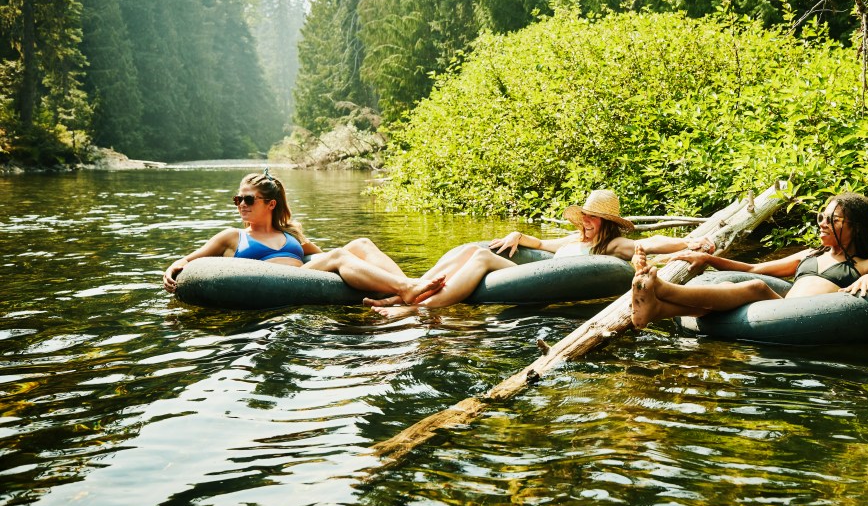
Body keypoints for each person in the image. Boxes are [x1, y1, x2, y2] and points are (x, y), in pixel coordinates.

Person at [368, 189, 714, 313]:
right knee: (471, 249)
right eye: (585, 216)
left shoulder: (611, 245)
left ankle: (417, 310)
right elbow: (543, 245)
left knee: (482, 257)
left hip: (536, 278)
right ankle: (408, 290)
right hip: (531, 270)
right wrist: (519, 234)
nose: (587, 222)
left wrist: (687, 243)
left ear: (607, 222)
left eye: (593, 218)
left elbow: (649, 243)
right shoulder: (575, 239)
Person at [629, 192, 868, 328]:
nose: (823, 223)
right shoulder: (810, 255)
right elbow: (754, 267)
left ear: (857, 228)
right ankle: (656, 309)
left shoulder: (863, 265)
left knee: (755, 287)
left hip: (806, 318)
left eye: (833, 220)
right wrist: (707, 259)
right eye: (822, 217)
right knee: (730, 292)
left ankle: (662, 289)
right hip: (779, 310)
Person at [162, 170, 444, 303]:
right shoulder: (232, 237)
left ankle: (406, 290)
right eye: (238, 199)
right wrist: (173, 267)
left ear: (270, 204)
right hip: (270, 281)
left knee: (361, 244)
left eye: (248, 199)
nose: (241, 205)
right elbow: (190, 260)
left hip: (304, 277)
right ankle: (405, 288)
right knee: (339, 255)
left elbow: (323, 258)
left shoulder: (291, 234)